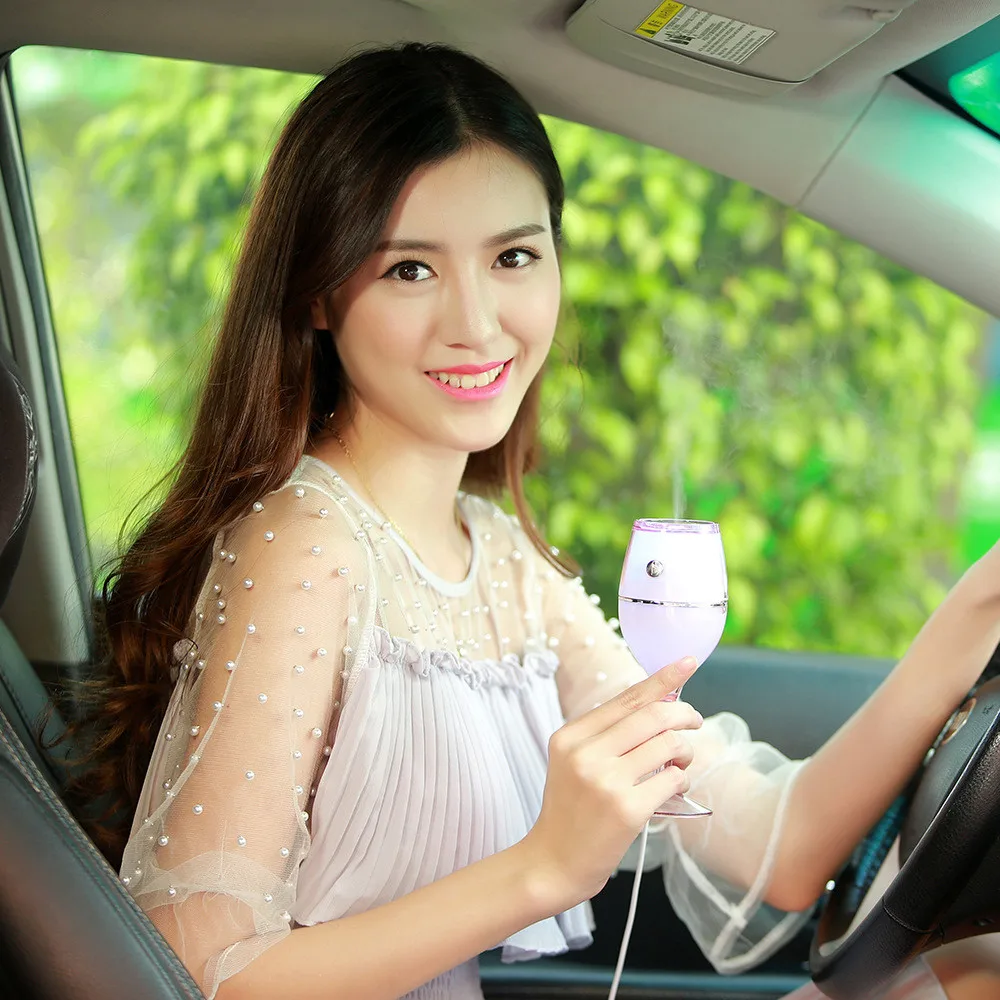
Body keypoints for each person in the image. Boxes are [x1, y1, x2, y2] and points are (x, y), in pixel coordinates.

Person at [69, 41, 1000, 1000]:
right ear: (316, 292)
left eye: (513, 257)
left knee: (973, 971)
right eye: (409, 270)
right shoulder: (305, 546)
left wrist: (981, 604)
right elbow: (202, 974)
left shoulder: (503, 563)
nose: (477, 323)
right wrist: (544, 869)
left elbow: (777, 844)